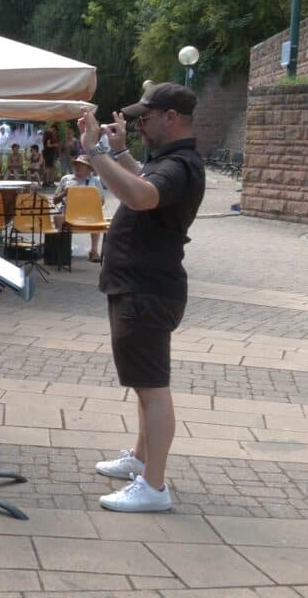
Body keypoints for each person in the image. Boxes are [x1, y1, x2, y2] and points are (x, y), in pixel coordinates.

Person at [81, 83, 205, 513]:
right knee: (143, 383)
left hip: (146, 289)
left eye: (145, 118)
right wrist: (118, 153)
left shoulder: (180, 165)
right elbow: (146, 182)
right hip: (140, 286)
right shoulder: (170, 161)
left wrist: (95, 152)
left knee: (152, 387)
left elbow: (139, 195)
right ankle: (140, 459)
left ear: (171, 117)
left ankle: (154, 486)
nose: (139, 126)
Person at [53, 154, 107, 261]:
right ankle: (64, 249)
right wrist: (64, 193)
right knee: (57, 218)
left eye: (81, 165)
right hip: (68, 212)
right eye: (76, 164)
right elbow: (55, 201)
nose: (77, 166)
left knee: (98, 218)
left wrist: (88, 199)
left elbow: (101, 201)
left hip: (88, 213)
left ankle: (94, 251)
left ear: (89, 169)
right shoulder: (66, 179)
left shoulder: (95, 181)